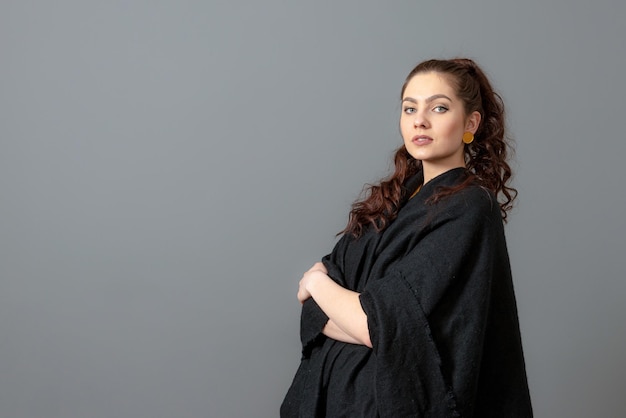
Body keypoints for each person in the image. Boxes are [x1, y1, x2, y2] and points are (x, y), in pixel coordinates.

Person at [280, 58, 533, 417]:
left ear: (470, 123)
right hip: (336, 401)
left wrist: (317, 283)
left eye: (439, 108)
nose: (420, 120)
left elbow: (376, 323)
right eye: (410, 108)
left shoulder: (469, 206)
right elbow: (321, 316)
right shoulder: (394, 199)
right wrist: (354, 312)